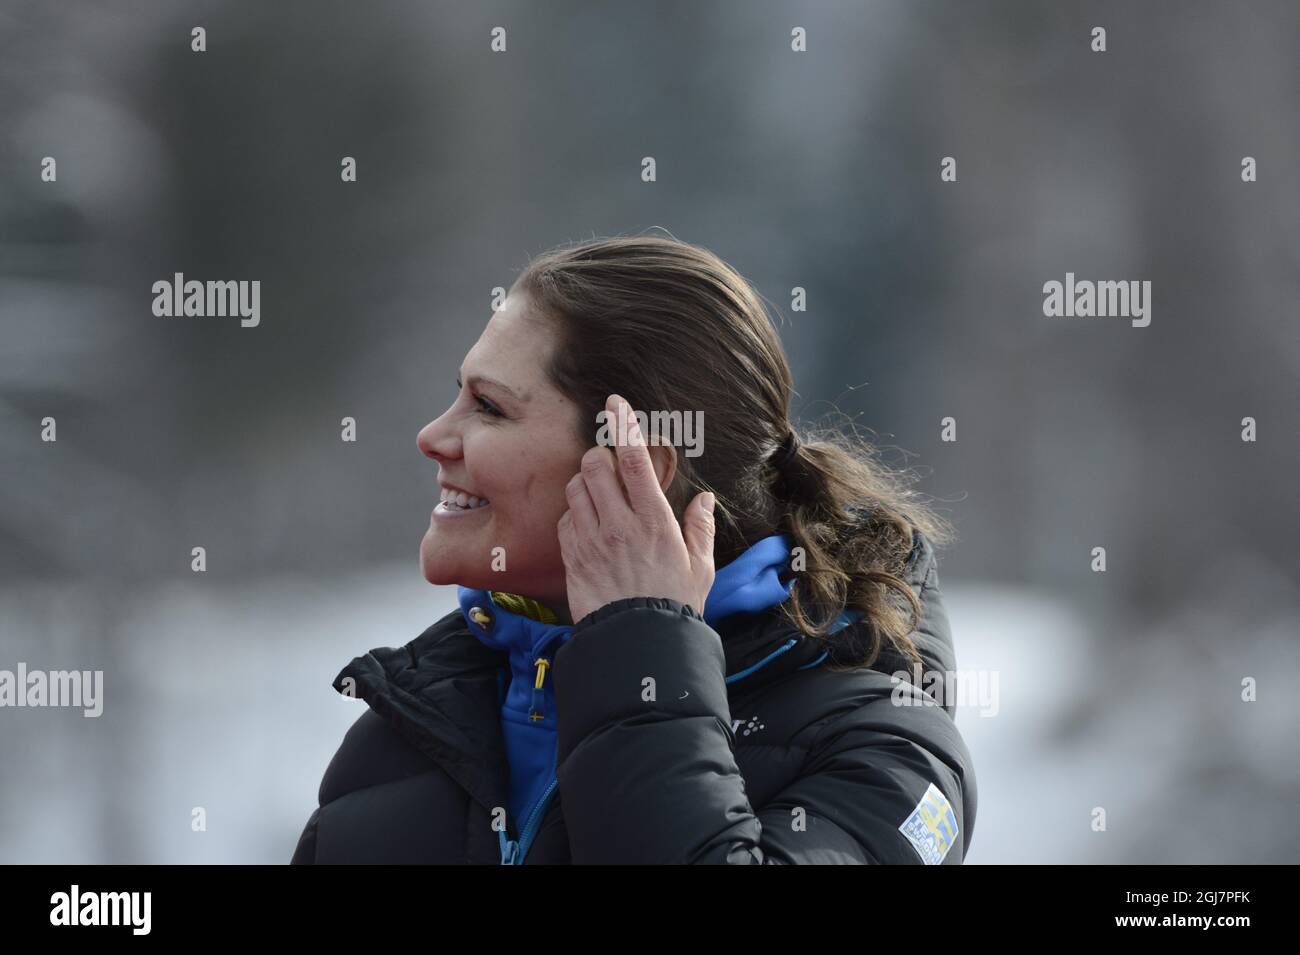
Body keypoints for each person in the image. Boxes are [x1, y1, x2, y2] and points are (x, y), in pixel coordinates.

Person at [291, 234, 976, 864]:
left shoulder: (886, 748)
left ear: (631, 464)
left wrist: (642, 643)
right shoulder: (413, 726)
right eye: (457, 395)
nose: (433, 436)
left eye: (489, 407)